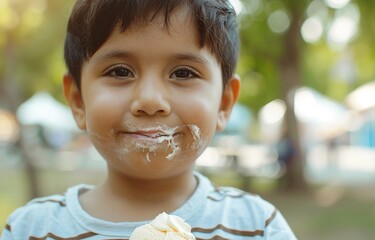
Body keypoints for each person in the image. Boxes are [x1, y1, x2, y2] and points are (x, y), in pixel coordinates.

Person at [1, 0, 297, 239]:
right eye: (120, 71)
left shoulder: (258, 226)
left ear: (223, 102)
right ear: (78, 101)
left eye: (183, 73)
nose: (151, 101)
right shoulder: (32, 229)